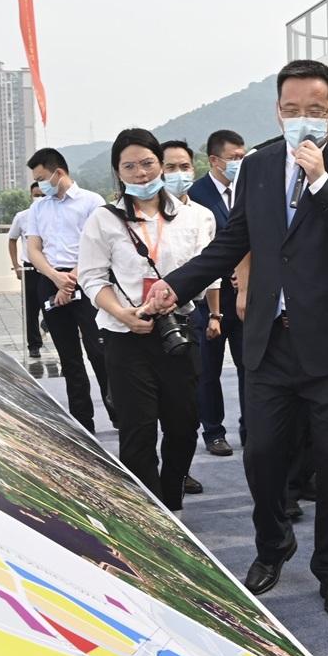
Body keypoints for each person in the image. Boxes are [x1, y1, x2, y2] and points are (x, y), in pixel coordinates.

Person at [147, 59, 328, 617]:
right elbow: (232, 243)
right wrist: (173, 286)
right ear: (277, 112)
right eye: (293, 110)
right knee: (262, 455)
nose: (303, 120)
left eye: (315, 110)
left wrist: (321, 180)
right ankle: (272, 546)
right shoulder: (256, 168)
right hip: (267, 343)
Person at [79, 129, 209, 512]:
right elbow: (92, 277)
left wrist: (177, 297)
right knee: (137, 432)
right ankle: (153, 512)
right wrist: (123, 314)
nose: (140, 173)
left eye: (147, 163)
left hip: (178, 332)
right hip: (126, 336)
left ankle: (172, 497)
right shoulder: (104, 219)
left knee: (184, 426)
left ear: (161, 164)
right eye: (129, 166)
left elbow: (203, 272)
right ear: (118, 173)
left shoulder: (191, 217)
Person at [22, 147, 114, 434]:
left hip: (86, 281)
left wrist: (71, 280)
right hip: (50, 281)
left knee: (99, 353)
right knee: (69, 357)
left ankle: (118, 412)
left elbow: (96, 246)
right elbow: (33, 248)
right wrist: (55, 277)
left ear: (58, 172)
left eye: (41, 178)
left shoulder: (91, 202)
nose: (39, 185)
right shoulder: (38, 208)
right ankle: (83, 422)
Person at [160, 139, 219, 499]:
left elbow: (210, 271)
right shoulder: (142, 215)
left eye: (184, 167)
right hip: (146, 318)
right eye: (170, 167)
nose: (178, 174)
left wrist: (215, 313)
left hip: (188, 316)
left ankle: (180, 470)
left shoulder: (202, 215)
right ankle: (157, 476)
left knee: (185, 403)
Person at [187, 130, 248, 457]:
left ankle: (250, 427)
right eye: (233, 158)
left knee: (248, 365)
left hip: (246, 293)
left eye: (243, 156)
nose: (239, 163)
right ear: (213, 160)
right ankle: (213, 431)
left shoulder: (251, 188)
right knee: (208, 369)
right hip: (211, 295)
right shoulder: (196, 195)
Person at [7, 181, 47, 364]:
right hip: (30, 268)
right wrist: (16, 265)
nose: (39, 198)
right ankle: (34, 345)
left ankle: (47, 327)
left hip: (50, 268)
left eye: (43, 195)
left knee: (53, 306)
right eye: (36, 195)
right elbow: (12, 239)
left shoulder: (54, 216)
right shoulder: (22, 217)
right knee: (31, 309)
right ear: (31, 195)